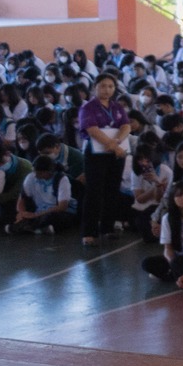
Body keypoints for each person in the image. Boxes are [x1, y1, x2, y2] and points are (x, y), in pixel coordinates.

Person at [75, 72, 131, 245]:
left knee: (112, 190)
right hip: (96, 154)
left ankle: (107, 228)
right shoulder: (88, 107)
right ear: (95, 87)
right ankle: (89, 232)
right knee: (94, 192)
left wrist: (118, 141)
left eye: (110, 86)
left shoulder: (117, 107)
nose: (107, 90)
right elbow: (92, 129)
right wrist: (113, 145)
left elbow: (126, 125)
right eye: (103, 86)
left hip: (116, 153)